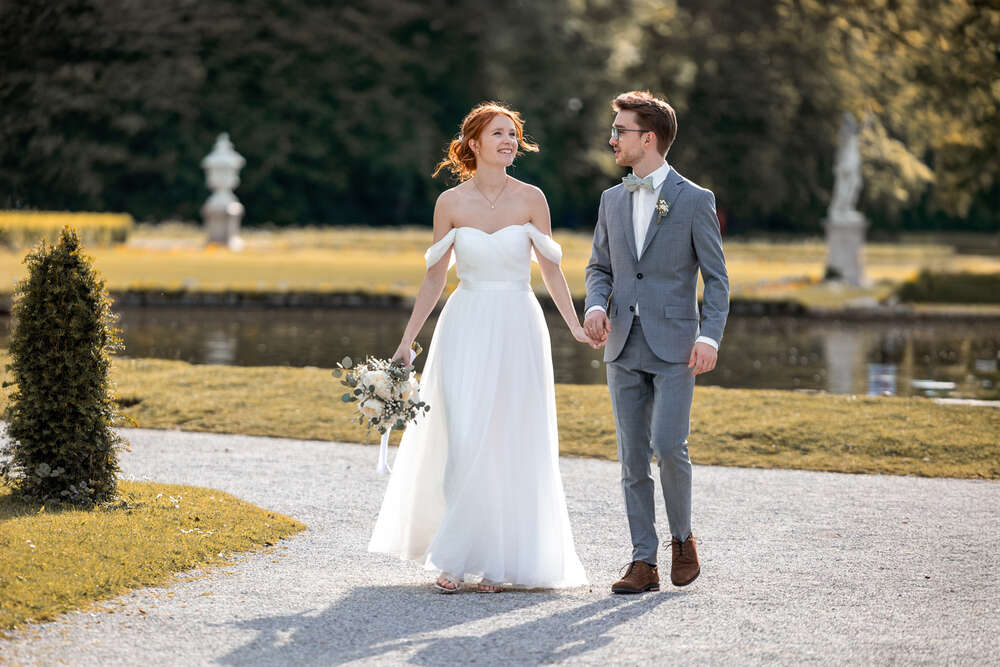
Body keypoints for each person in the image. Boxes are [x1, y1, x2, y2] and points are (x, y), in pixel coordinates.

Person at [368, 102, 591, 593]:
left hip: (518, 325)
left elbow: (551, 269)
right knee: (465, 433)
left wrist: (575, 326)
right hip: (465, 324)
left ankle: (498, 562)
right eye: (498, 134)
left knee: (509, 438)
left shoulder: (533, 198)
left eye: (513, 134)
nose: (509, 142)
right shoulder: (450, 204)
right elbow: (433, 280)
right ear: (473, 143)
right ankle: (454, 557)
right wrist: (407, 343)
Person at [584, 91, 729, 594]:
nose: (611, 139)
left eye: (619, 131)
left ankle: (682, 538)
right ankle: (642, 562)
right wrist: (595, 305)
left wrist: (709, 335)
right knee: (630, 457)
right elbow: (599, 267)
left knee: (668, 446)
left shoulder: (694, 199)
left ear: (647, 138)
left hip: (677, 347)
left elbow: (717, 279)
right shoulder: (611, 199)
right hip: (622, 342)